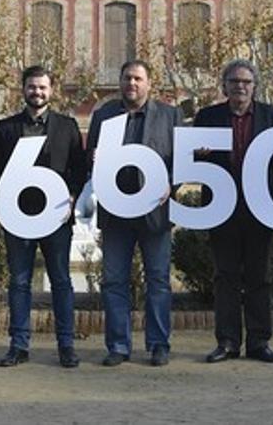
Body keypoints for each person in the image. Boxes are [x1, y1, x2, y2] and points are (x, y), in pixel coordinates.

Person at [0, 65, 87, 368]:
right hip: (18, 218)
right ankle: (18, 345)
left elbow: (79, 169)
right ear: (23, 89)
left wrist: (71, 194)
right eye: (32, 87)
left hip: (56, 217)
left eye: (42, 87)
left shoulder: (67, 126)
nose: (37, 92)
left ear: (51, 90)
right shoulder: (6, 128)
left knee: (61, 280)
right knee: (19, 283)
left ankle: (66, 345)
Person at [194, 59, 273, 363]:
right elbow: (192, 159)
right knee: (225, 277)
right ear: (224, 86)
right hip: (221, 208)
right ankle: (227, 342)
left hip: (260, 208)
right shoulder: (207, 117)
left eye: (246, 82)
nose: (240, 87)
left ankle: (259, 342)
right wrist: (199, 154)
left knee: (259, 276)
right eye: (234, 81)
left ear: (254, 86)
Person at [86, 60, 183, 367]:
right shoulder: (103, 116)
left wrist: (172, 184)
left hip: (154, 212)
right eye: (127, 78)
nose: (132, 84)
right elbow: (92, 159)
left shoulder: (170, 115)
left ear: (149, 83)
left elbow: (181, 159)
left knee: (158, 280)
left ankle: (158, 345)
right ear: (120, 82)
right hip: (116, 214)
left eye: (138, 79)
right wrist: (94, 158)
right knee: (114, 281)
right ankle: (118, 345)